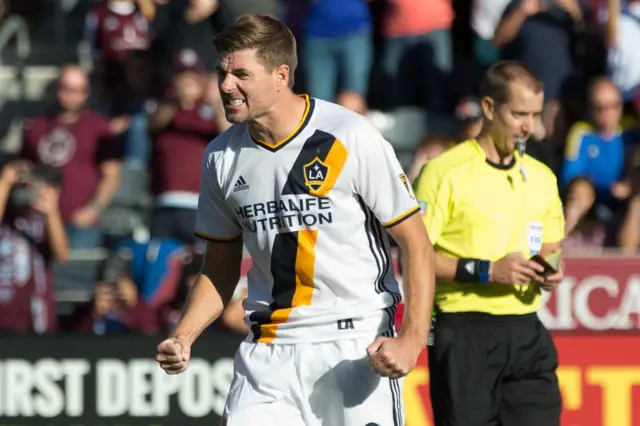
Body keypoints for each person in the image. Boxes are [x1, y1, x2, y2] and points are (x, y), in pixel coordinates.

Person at [155, 14, 435, 426]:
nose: (225, 85)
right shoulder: (220, 156)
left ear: (280, 74)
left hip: (353, 345)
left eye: (241, 74)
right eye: (221, 73)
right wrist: (184, 335)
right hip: (268, 352)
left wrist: (411, 340)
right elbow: (219, 267)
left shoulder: (350, 135)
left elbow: (416, 246)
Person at [412, 61, 565, 426]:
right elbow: (416, 259)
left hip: (527, 329)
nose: (529, 126)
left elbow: (551, 248)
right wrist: (489, 271)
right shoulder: (443, 172)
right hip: (465, 331)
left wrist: (551, 270)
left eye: (535, 114)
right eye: (519, 114)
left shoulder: (542, 177)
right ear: (489, 108)